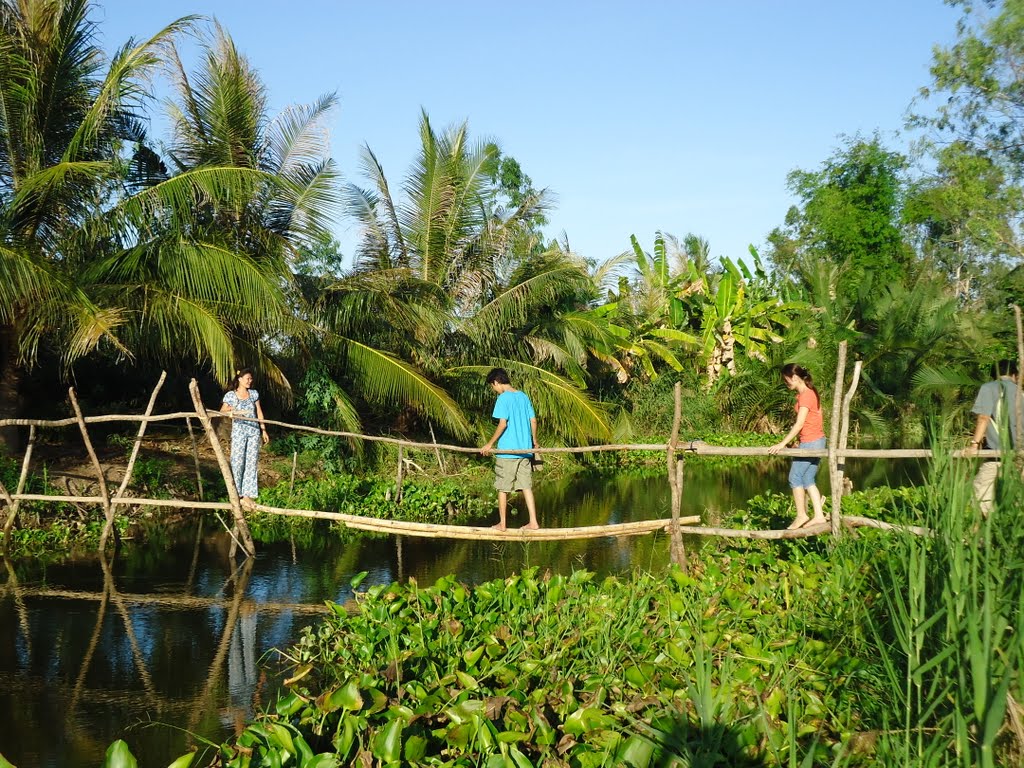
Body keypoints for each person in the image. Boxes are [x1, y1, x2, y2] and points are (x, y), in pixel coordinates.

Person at [767, 363, 827, 529]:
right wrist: (798, 442)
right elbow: (812, 421)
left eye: (786, 380)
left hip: (811, 442)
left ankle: (801, 515)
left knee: (794, 478)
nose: (786, 384)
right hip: (815, 441)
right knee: (807, 479)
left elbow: (800, 423)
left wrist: (782, 443)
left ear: (794, 377)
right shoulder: (808, 393)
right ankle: (819, 516)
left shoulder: (806, 395)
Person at [481, 368, 539, 531]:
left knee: (502, 488)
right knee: (526, 487)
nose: (494, 390)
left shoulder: (503, 398)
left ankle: (503, 524)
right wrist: (534, 441)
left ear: (496, 382)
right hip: (525, 451)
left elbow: (503, 423)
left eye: (493, 387)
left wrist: (490, 443)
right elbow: (533, 421)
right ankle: (533, 522)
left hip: (507, 452)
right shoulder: (523, 396)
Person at [965, 359, 1021, 517]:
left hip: (996, 455)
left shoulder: (989, 388)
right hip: (1020, 455)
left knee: (980, 497)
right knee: (1015, 500)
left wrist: (974, 444)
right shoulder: (1021, 393)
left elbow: (984, 418)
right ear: (1014, 375)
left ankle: (986, 536)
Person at [220, 369, 269, 509]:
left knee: (251, 462)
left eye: (251, 379)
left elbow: (259, 412)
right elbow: (222, 411)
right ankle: (237, 494)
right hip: (239, 433)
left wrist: (263, 430)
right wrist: (230, 412)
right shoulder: (231, 396)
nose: (250, 381)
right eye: (247, 378)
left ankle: (247, 495)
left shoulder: (253, 394)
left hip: (253, 432)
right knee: (237, 461)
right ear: (240, 379)